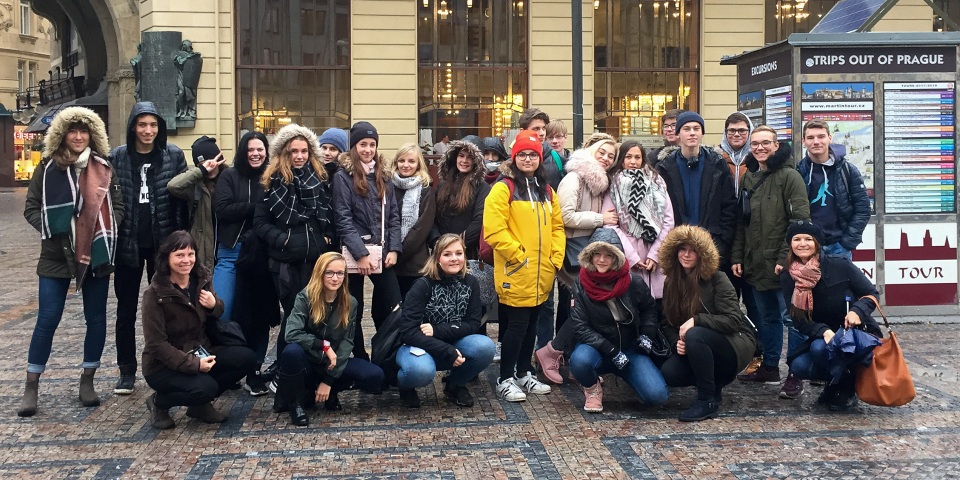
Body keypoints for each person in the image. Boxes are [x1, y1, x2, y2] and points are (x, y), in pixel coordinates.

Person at [19, 106, 123, 417]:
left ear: (92, 135)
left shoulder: (104, 168)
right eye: (72, 131)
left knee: (96, 319)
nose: (78, 137)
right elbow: (31, 207)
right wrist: (52, 229)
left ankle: (87, 380)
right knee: (47, 319)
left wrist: (104, 229)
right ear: (62, 135)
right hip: (55, 256)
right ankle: (31, 385)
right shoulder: (47, 168)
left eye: (84, 131)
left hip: (97, 254)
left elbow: (118, 206)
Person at [110, 101, 189, 395]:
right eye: (142, 124)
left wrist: (181, 240)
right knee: (126, 310)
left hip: (163, 245)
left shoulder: (173, 155)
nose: (148, 130)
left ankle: (170, 365)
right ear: (133, 127)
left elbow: (183, 198)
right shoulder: (117, 157)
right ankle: (126, 370)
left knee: (169, 308)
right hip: (128, 244)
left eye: (153, 125)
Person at [141, 230, 257, 430]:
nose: (186, 260)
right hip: (163, 365)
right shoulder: (155, 293)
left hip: (201, 349)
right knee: (206, 388)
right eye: (179, 255)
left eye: (190, 254)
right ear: (167, 258)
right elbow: (156, 344)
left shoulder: (201, 279)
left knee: (246, 358)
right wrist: (194, 364)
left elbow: (217, 313)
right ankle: (160, 402)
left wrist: (214, 305)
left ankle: (198, 406)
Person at [483, 129, 564, 402]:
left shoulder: (547, 190)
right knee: (516, 326)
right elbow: (494, 230)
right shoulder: (503, 188)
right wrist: (517, 255)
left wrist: (555, 258)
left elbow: (557, 227)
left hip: (542, 272)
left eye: (532, 155)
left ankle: (523, 372)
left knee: (531, 325)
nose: (527, 159)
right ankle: (505, 377)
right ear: (514, 157)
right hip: (516, 270)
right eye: (522, 154)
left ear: (539, 158)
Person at [731, 126, 810, 398]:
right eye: (755, 144)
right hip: (756, 262)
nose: (760, 148)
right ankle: (770, 367)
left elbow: (800, 223)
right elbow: (742, 222)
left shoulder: (790, 177)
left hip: (782, 264)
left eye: (766, 143)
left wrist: (784, 258)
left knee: (792, 319)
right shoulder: (749, 177)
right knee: (767, 319)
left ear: (776, 146)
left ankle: (796, 373)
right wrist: (738, 256)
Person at [534, 133, 618, 383]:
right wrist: (601, 219)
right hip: (572, 250)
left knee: (585, 305)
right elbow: (565, 215)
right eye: (602, 152)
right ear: (591, 151)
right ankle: (551, 352)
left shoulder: (599, 181)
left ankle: (570, 359)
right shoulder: (574, 178)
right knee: (588, 304)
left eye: (611, 156)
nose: (606, 158)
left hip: (587, 250)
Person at [254, 123, 331, 388]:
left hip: (313, 261)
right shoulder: (271, 182)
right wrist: (284, 240)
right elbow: (260, 223)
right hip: (284, 263)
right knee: (293, 315)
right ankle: (284, 370)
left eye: (304, 151)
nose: (299, 156)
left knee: (310, 315)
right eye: (293, 151)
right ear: (283, 153)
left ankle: (298, 369)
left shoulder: (319, 179)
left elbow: (328, 214)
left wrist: (325, 236)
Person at [659, 225, 758, 422]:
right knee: (670, 373)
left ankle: (706, 401)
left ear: (702, 254)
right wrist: (676, 342)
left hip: (733, 341)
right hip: (697, 343)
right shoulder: (671, 282)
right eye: (682, 249)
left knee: (695, 334)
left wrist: (697, 320)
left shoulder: (717, 278)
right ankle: (714, 385)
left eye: (693, 250)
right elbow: (667, 322)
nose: (686, 255)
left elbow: (733, 320)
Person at [274, 252, 385, 426]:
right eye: (329, 273)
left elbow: (347, 342)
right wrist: (324, 346)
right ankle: (296, 404)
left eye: (340, 273)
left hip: (331, 363)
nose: (335, 278)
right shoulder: (305, 297)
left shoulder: (350, 302)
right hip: (308, 361)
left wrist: (328, 380)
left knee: (375, 375)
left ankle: (331, 391)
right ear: (320, 273)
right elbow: (291, 333)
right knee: (291, 351)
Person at [781, 220, 881, 411]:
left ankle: (847, 387)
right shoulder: (788, 275)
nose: (802, 244)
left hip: (855, 332)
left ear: (817, 243)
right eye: (797, 239)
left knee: (820, 349)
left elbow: (871, 294)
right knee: (799, 365)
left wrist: (857, 311)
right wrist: (823, 331)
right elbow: (798, 319)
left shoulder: (840, 265)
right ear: (790, 244)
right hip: (823, 334)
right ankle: (837, 382)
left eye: (808, 239)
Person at [213, 131, 280, 396]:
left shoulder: (273, 176)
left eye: (260, 149)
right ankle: (228, 367)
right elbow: (222, 209)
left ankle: (254, 371)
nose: (255, 154)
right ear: (243, 151)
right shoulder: (229, 176)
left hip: (262, 255)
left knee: (259, 317)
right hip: (231, 251)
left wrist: (247, 208)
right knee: (223, 310)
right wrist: (257, 208)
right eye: (251, 149)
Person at [395, 234, 496, 408]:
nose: (454, 259)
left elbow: (473, 323)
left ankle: (455, 384)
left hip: (453, 343)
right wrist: (446, 350)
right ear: (437, 258)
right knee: (420, 371)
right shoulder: (422, 285)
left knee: (485, 346)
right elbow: (408, 332)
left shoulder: (471, 282)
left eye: (458, 253)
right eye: (447, 254)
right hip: (419, 345)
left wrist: (437, 330)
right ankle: (406, 387)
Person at [568, 241, 669, 413]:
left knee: (657, 396)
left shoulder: (633, 281)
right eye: (597, 254)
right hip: (597, 347)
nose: (602, 260)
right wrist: (611, 350)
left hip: (630, 348)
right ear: (590, 257)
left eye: (608, 255)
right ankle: (592, 388)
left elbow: (649, 308)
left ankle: (631, 376)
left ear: (616, 258)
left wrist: (647, 334)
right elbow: (580, 325)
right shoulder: (580, 283)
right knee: (579, 362)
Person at [332, 121, 403, 361]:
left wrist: (394, 249)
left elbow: (393, 216)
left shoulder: (384, 175)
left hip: (383, 251)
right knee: (354, 308)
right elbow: (343, 218)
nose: (368, 149)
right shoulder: (343, 177)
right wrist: (360, 253)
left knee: (393, 305)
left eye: (372, 144)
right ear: (354, 146)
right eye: (363, 144)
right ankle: (360, 357)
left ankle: (386, 356)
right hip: (355, 253)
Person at [655, 110, 737, 269]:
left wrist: (721, 242)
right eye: (686, 129)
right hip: (677, 247)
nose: (692, 133)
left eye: (696, 128)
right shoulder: (665, 167)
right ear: (678, 134)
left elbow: (729, 206)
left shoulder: (717, 164)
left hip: (711, 244)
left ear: (702, 133)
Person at [606, 140, 674, 301]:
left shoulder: (657, 182)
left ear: (643, 160)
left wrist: (655, 255)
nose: (633, 162)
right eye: (628, 157)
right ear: (621, 159)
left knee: (657, 305)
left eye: (637, 157)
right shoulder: (614, 185)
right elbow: (610, 224)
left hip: (655, 250)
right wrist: (631, 257)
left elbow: (668, 221)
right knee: (631, 302)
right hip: (627, 253)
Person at [797, 119, 871, 260]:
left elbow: (863, 209)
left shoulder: (848, 170)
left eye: (821, 136)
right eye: (810, 138)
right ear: (804, 141)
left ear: (829, 138)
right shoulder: (799, 171)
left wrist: (846, 243)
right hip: (806, 248)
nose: (816, 142)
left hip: (839, 248)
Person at [167, 136, 226, 272]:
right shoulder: (195, 186)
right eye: (204, 164)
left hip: (225, 246)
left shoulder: (229, 179)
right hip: (202, 248)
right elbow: (173, 186)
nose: (211, 167)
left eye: (212, 161)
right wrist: (201, 171)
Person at [391, 143, 436, 298]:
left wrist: (398, 253)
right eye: (401, 160)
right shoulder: (387, 186)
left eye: (411, 161)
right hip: (389, 263)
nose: (406, 165)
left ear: (418, 164)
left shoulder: (425, 189)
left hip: (415, 265)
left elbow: (422, 228)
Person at [433, 140, 491, 260]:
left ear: (476, 161)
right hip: (440, 251)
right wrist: (437, 242)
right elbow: (432, 215)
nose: (464, 161)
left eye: (470, 157)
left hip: (467, 252)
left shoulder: (482, 187)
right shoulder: (443, 184)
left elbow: (479, 220)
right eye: (461, 155)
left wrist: (456, 246)